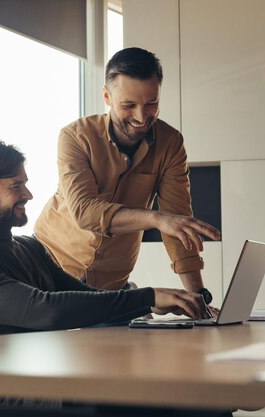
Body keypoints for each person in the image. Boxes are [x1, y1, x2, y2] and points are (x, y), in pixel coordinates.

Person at [0, 139, 212, 338]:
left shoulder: (27, 248)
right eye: (16, 186)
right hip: (21, 398)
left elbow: (86, 297)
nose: (28, 194)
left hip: (54, 378)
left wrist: (152, 302)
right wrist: (146, 296)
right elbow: (47, 310)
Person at [34, 47, 220, 305]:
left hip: (112, 285)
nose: (142, 117)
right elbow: (85, 211)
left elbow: (177, 222)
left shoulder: (171, 143)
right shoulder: (75, 137)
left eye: (151, 103)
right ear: (107, 96)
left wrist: (200, 298)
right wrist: (156, 219)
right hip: (50, 271)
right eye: (129, 105)